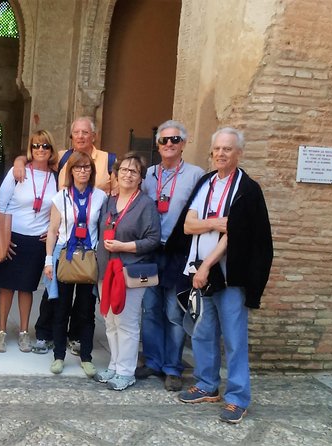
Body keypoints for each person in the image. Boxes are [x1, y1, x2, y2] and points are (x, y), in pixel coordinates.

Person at [175, 127, 273, 424]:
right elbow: (188, 226)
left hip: (230, 275)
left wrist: (206, 266)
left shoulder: (247, 189)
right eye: (216, 148)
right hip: (201, 272)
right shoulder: (206, 182)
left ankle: (238, 398)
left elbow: (237, 234)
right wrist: (215, 223)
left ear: (239, 153)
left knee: (233, 338)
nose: (220, 153)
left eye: (227, 149)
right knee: (203, 332)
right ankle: (206, 384)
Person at [14, 117, 117, 356]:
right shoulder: (61, 156)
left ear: (94, 135)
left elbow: (119, 185)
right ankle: (45, 333)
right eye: (76, 133)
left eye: (85, 132)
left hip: (89, 241)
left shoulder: (108, 160)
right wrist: (19, 161)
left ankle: (75, 336)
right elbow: (35, 157)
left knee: (84, 297)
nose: (80, 137)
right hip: (62, 236)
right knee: (54, 292)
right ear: (71, 136)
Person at [138, 120, 204, 391]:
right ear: (158, 145)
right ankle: (153, 360)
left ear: (183, 144)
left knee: (174, 311)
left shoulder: (196, 175)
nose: (168, 144)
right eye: (163, 140)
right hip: (150, 251)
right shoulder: (148, 175)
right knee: (150, 308)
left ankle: (172, 367)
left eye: (174, 140)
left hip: (178, 253)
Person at [95, 153, 160, 390]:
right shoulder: (108, 202)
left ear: (140, 177)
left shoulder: (145, 204)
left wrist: (125, 247)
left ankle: (126, 371)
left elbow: (153, 239)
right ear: (116, 173)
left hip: (130, 273)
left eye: (133, 171)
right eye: (123, 169)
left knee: (127, 322)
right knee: (110, 321)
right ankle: (114, 365)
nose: (127, 174)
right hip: (106, 270)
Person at [0, 130, 58, 353]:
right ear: (30, 148)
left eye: (45, 146)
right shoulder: (18, 171)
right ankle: (1, 331)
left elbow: (59, 209)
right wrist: (2, 237)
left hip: (37, 240)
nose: (41, 150)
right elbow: (1, 204)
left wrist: (53, 232)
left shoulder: (55, 177)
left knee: (27, 288)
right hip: (13, 236)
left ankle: (23, 332)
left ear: (51, 150)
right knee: (7, 286)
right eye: (36, 146)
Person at [43, 151, 108, 377]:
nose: (82, 171)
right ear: (70, 171)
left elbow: (102, 228)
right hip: (65, 255)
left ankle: (86, 357)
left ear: (91, 171)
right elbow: (52, 230)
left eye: (87, 167)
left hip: (89, 257)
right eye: (78, 167)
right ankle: (59, 356)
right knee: (61, 309)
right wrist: (48, 260)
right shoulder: (60, 197)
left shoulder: (100, 197)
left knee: (86, 311)